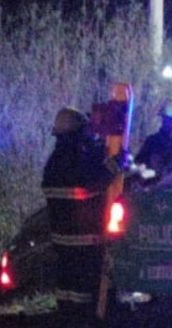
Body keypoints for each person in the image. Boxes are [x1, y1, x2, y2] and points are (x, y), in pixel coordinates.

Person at [42, 106, 130, 312]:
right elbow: (92, 182)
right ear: (78, 132)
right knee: (85, 286)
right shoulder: (75, 159)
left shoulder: (54, 161)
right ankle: (85, 323)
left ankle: (67, 317)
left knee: (66, 284)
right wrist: (118, 163)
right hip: (84, 239)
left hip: (61, 240)